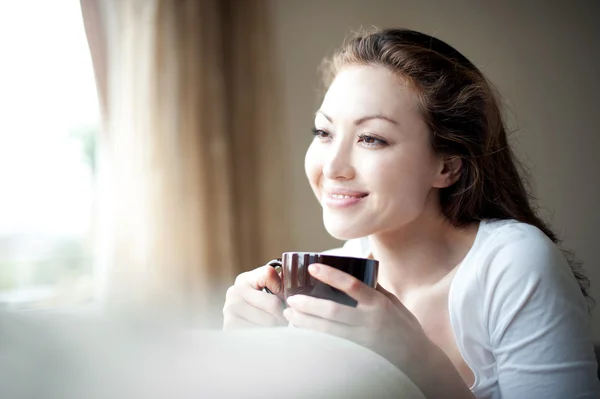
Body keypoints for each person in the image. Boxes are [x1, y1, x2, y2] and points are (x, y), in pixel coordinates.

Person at [222, 28, 600, 399]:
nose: (333, 166)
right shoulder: (330, 282)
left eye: (371, 138)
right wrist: (245, 354)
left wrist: (416, 360)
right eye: (323, 132)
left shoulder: (513, 264)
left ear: (448, 166)